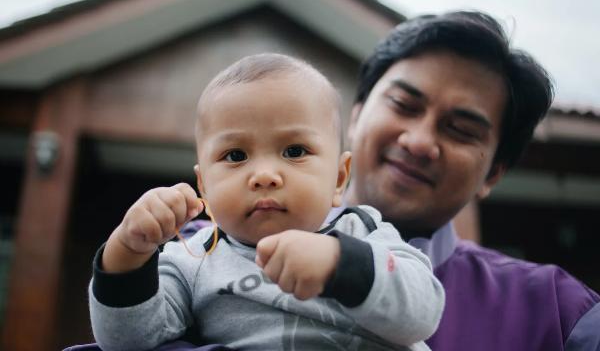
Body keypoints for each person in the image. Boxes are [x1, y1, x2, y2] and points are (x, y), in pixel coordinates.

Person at [88, 53, 445, 351]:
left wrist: (342, 264)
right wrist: (128, 251)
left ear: (338, 178)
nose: (263, 175)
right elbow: (128, 340)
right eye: (235, 155)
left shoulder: (363, 231)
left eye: (294, 151)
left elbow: (424, 310)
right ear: (204, 186)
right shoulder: (194, 260)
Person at [341, 11, 600, 350]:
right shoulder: (254, 254)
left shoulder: (558, 314)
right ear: (356, 115)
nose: (418, 142)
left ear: (492, 174)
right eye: (404, 104)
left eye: (461, 130)